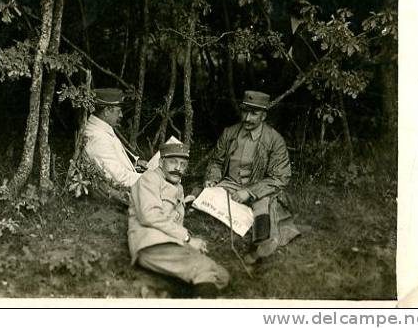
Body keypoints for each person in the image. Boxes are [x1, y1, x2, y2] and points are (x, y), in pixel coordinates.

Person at [204, 90, 300, 264]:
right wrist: (213, 178)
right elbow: (216, 162)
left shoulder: (274, 140)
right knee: (205, 199)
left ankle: (260, 250)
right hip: (230, 184)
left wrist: (249, 192)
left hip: (259, 188)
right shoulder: (230, 133)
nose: (247, 118)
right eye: (245, 112)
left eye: (253, 114)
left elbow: (280, 177)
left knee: (263, 210)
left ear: (263, 116)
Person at [128, 143, 230, 297]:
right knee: (204, 269)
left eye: (183, 164)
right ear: (161, 162)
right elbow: (149, 215)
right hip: (152, 244)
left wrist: (188, 243)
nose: (178, 168)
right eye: (173, 162)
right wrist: (187, 238)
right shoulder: (149, 179)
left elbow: (172, 222)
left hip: (170, 243)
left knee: (222, 277)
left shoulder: (177, 187)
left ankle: (163, 296)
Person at [83, 88, 147, 190]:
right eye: (119, 111)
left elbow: (114, 155)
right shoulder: (98, 138)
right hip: (119, 193)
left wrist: (135, 162)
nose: (121, 115)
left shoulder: (101, 128)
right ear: (107, 111)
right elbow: (119, 178)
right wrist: (153, 180)